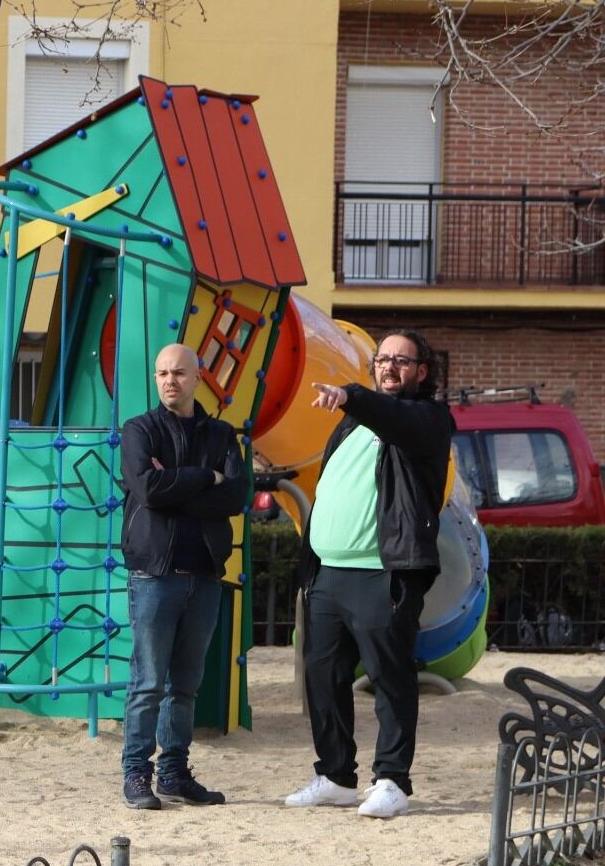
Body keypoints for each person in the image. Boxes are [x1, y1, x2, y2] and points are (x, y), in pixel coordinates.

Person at [284, 331, 452, 820]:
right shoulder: (355, 421)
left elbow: (397, 417)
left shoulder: (427, 419)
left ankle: (392, 780)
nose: (389, 367)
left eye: (402, 360)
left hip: (384, 573)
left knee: (390, 679)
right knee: (323, 678)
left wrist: (351, 395)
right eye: (382, 359)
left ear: (422, 371)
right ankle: (336, 776)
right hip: (328, 575)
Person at [117, 343, 248, 810]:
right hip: (154, 573)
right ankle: (136, 772)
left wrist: (178, 483)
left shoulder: (220, 433)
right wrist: (204, 477)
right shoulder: (139, 430)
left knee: (185, 684)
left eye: (178, 373)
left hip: (205, 573)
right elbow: (148, 491)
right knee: (148, 681)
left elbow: (235, 497)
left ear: (197, 377)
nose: (169, 380)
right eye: (162, 373)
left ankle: (173, 773)